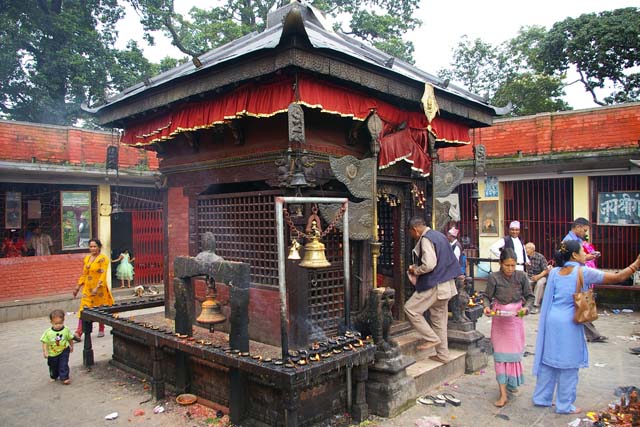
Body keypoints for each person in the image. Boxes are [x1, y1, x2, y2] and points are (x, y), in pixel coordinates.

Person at [532, 240, 640, 414]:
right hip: (570, 322)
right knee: (569, 364)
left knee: (549, 360)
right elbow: (618, 277)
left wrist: (585, 257)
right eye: (583, 251)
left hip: (552, 320)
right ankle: (564, 405)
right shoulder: (583, 272)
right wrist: (636, 264)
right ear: (574, 255)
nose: (585, 253)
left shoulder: (555, 272)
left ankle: (541, 398)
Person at [483, 248, 534, 408]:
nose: (510, 269)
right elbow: (486, 297)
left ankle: (511, 383)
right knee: (499, 358)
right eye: (507, 265)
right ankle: (503, 393)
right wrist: (486, 308)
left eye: (513, 265)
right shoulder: (494, 277)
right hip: (499, 320)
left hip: (515, 320)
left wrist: (526, 309)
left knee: (512, 357)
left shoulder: (522, 276)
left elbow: (530, 297)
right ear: (500, 264)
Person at [405, 216, 459, 363]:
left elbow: (429, 264)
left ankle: (431, 338)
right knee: (439, 321)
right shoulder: (440, 235)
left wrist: (415, 270)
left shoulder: (426, 239)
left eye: (411, 233)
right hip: (447, 284)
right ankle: (443, 355)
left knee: (410, 309)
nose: (413, 236)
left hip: (435, 284)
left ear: (415, 229)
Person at [562, 218, 606, 343]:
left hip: (580, 274)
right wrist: (588, 257)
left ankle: (593, 334)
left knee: (582, 305)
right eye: (584, 230)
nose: (585, 233)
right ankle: (593, 334)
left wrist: (588, 257)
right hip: (574, 276)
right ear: (578, 227)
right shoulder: (568, 241)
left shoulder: (578, 240)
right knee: (580, 305)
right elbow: (570, 260)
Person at [72, 238, 113, 341]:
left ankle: (101, 327)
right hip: (87, 288)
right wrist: (78, 286)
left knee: (99, 308)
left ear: (99, 247)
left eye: (94, 246)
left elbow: (103, 274)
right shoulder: (87, 259)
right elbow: (84, 274)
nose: (92, 248)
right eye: (91, 246)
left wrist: (97, 287)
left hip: (99, 289)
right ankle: (79, 332)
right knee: (83, 309)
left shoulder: (103, 259)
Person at [40, 309, 74, 384]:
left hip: (64, 350)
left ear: (63, 321)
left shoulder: (66, 330)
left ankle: (64, 377)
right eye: (56, 323)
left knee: (64, 363)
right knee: (53, 366)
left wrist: (71, 346)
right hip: (52, 353)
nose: (58, 325)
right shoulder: (48, 332)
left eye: (60, 323)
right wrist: (45, 351)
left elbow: (70, 338)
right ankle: (54, 375)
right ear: (51, 322)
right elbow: (44, 342)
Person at [525, 242, 550, 314]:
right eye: (525, 248)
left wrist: (538, 276)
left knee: (540, 283)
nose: (526, 250)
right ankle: (526, 303)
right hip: (530, 276)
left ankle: (535, 305)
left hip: (541, 275)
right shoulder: (525, 257)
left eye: (528, 248)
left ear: (533, 249)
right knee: (525, 282)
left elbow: (546, 270)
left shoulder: (540, 257)